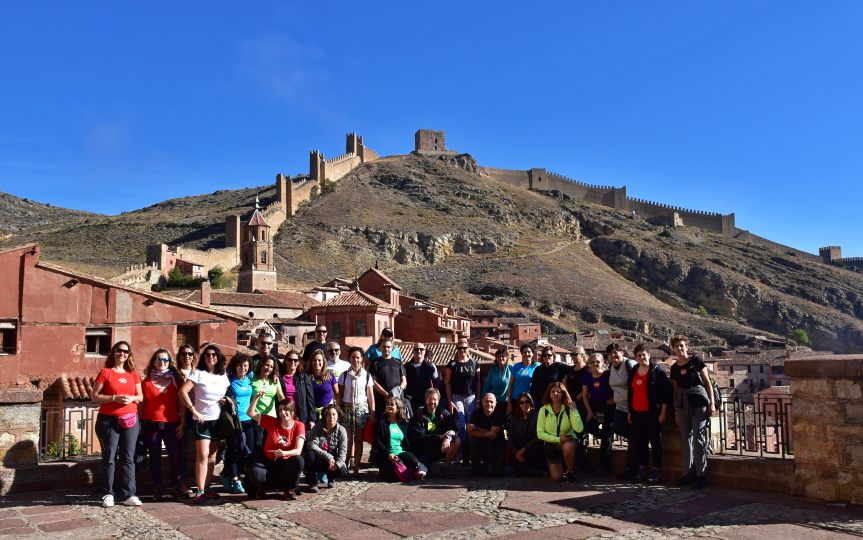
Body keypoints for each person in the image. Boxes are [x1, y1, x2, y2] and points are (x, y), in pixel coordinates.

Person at [93, 341, 143, 508]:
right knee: (109, 456)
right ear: (113, 353)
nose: (122, 354)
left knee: (128, 457)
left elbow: (140, 397)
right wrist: (114, 398)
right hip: (108, 420)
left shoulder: (133, 374)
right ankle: (108, 493)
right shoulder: (106, 372)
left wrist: (131, 399)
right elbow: (95, 396)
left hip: (130, 420)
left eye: (125, 351)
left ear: (129, 355)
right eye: (119, 351)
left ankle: (129, 494)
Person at [179, 344, 231, 503]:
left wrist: (224, 401)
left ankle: (207, 488)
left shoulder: (223, 376)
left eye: (214, 354)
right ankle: (199, 490)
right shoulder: (198, 374)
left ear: (219, 357)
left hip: (217, 421)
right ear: (204, 357)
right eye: (207, 354)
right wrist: (193, 410)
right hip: (201, 421)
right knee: (202, 455)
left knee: (212, 457)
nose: (211, 357)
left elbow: (225, 395)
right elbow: (182, 392)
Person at [669, 335, 715, 489]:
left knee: (699, 438)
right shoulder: (674, 368)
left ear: (686, 346)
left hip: (699, 402)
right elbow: (676, 391)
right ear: (673, 349)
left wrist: (712, 403)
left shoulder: (696, 361)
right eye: (676, 346)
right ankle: (687, 474)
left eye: (682, 345)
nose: (680, 348)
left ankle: (701, 475)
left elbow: (707, 382)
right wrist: (676, 411)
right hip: (682, 405)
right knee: (685, 440)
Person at [140, 348, 184, 501]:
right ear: (154, 362)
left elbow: (182, 403)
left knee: (175, 456)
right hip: (151, 424)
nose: (162, 363)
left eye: (165, 360)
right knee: (155, 457)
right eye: (159, 359)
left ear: (169, 362)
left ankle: (175, 486)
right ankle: (157, 487)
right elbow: (142, 404)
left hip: (172, 424)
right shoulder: (145, 382)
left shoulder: (176, 380)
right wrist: (138, 424)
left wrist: (183, 423)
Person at [246, 395, 306, 500]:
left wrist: (283, 453)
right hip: (268, 462)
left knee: (299, 460)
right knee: (255, 472)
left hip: (285, 464)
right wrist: (256, 398)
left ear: (292, 412)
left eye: (286, 409)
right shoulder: (272, 422)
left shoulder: (299, 425)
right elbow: (250, 413)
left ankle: (289, 490)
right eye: (280, 410)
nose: (283, 412)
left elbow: (298, 450)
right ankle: (262, 487)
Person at [627, 344, 672, 484]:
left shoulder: (657, 371)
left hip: (652, 414)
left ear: (649, 355)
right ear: (635, 357)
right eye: (639, 355)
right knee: (641, 442)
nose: (642, 357)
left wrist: (663, 413)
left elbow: (666, 394)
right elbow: (630, 392)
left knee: (655, 442)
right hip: (636, 413)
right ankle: (642, 468)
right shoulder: (634, 370)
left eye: (644, 354)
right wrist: (630, 411)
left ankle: (656, 469)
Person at [336, 347, 375, 474]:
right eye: (353, 357)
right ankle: (345, 466)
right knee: (347, 439)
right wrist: (338, 411)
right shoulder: (344, 375)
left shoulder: (367, 375)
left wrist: (372, 412)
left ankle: (356, 467)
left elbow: (370, 396)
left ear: (362, 359)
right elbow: (339, 395)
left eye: (358, 357)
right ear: (350, 359)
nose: (355, 360)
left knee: (358, 439)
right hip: (347, 408)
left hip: (361, 409)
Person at [221, 354, 255, 495]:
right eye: (240, 365)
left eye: (245, 366)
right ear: (235, 366)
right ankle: (235, 480)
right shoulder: (229, 380)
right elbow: (222, 393)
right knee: (233, 450)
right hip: (235, 422)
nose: (243, 368)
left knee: (249, 451)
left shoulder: (250, 378)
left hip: (249, 420)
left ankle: (226, 473)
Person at [537, 382, 583, 483]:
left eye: (559, 392)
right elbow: (540, 433)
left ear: (563, 394)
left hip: (568, 441)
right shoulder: (543, 410)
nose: (556, 394)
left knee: (568, 447)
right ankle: (559, 465)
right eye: (553, 391)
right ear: (549, 394)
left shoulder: (568, 408)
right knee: (557, 478)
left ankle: (570, 472)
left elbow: (579, 429)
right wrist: (558, 439)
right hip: (551, 444)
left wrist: (574, 411)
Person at [373, 397, 427, 482]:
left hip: (401, 453)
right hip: (388, 455)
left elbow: (409, 440)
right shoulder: (382, 421)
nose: (389, 406)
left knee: (413, 460)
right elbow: (377, 440)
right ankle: (413, 473)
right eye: (387, 404)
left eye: (392, 404)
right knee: (391, 478)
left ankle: (419, 469)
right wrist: (388, 453)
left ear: (398, 408)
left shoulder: (403, 423)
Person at [408, 388, 459, 474]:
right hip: (423, 449)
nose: (432, 402)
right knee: (421, 472)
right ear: (426, 399)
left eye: (434, 399)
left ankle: (444, 468)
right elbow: (419, 437)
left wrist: (447, 437)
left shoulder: (444, 413)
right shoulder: (418, 415)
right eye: (430, 399)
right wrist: (439, 437)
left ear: (438, 400)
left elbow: (454, 430)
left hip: (440, 447)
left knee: (457, 441)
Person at [606, 343, 638, 480]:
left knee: (633, 439)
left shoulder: (629, 365)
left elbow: (636, 386)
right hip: (620, 406)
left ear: (622, 352)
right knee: (618, 428)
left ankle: (632, 469)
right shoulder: (611, 367)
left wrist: (632, 407)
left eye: (616, 352)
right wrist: (613, 399)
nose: (613, 355)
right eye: (611, 353)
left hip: (633, 408)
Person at [445, 338, 480, 454]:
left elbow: (478, 382)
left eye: (464, 348)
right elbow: (447, 383)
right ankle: (463, 451)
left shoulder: (474, 363)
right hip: (457, 397)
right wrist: (450, 401)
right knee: (461, 423)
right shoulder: (452, 364)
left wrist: (478, 399)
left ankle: (469, 452)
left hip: (472, 397)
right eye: (459, 348)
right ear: (457, 349)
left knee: (470, 424)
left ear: (468, 349)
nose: (462, 350)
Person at [581, 353, 614, 473]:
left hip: (608, 406)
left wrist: (613, 399)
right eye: (592, 362)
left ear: (602, 363)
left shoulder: (607, 375)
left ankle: (605, 466)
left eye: (597, 362)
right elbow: (584, 396)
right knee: (589, 427)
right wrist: (589, 412)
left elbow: (618, 388)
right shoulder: (587, 377)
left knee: (607, 437)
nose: (595, 364)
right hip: (593, 406)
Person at [304, 404, 348, 492]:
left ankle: (331, 478)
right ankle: (312, 482)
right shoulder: (318, 427)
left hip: (331, 460)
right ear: (325, 416)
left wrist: (337, 464)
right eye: (328, 414)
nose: (331, 417)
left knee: (342, 470)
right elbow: (311, 444)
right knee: (310, 454)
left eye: (334, 414)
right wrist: (327, 456)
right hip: (318, 458)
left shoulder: (342, 430)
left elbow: (343, 450)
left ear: (338, 417)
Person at [466, 393, 507, 476]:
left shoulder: (501, 415)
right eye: (486, 401)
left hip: (496, 446)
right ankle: (476, 468)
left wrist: (477, 428)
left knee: (498, 474)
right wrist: (487, 433)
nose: (489, 404)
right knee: (472, 441)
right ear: (482, 402)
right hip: (481, 446)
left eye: (491, 402)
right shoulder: (476, 413)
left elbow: (495, 436)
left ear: (496, 403)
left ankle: (489, 465)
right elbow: (470, 433)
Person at [564, 346, 590, 472]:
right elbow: (564, 385)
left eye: (575, 354)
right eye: (572, 354)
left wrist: (575, 400)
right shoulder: (569, 370)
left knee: (581, 433)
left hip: (581, 405)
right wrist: (569, 400)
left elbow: (587, 388)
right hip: (570, 404)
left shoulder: (587, 370)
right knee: (571, 433)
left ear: (582, 355)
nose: (573, 356)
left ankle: (581, 464)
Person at [507, 392, 544, 477]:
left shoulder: (537, 416)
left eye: (527, 402)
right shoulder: (515, 418)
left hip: (533, 450)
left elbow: (538, 437)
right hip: (519, 452)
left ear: (531, 402)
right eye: (521, 402)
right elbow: (510, 438)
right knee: (521, 473)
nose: (524, 404)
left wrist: (524, 449)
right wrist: (516, 453)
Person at [279, 350, 317, 429]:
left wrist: (312, 419)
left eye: (295, 360)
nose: (293, 362)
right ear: (285, 361)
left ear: (298, 362)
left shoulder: (303, 377)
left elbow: (310, 399)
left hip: (301, 416)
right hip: (284, 415)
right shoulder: (279, 378)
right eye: (290, 360)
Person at [370, 339, 406, 419]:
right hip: (381, 400)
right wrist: (387, 394)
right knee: (382, 425)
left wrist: (396, 393)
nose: (386, 349)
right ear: (380, 348)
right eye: (384, 347)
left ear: (392, 348)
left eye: (388, 347)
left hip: (397, 401)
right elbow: (373, 382)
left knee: (397, 422)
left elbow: (404, 381)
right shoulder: (375, 363)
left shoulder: (398, 362)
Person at [404, 344, 439, 413]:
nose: (419, 351)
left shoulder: (431, 367)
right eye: (416, 349)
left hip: (427, 401)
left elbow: (436, 384)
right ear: (413, 351)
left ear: (425, 351)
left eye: (421, 349)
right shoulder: (406, 367)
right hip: (411, 402)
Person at [508, 344, 538, 414]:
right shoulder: (516, 366)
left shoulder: (537, 366)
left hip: (529, 400)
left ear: (533, 354)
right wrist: (509, 402)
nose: (526, 354)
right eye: (524, 352)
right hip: (516, 400)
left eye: (529, 352)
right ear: (521, 354)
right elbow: (510, 385)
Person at [308, 349, 339, 415]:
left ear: (323, 362)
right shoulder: (306, 376)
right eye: (314, 360)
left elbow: (337, 395)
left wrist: (337, 410)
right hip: (311, 412)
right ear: (311, 362)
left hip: (327, 412)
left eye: (319, 360)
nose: (317, 362)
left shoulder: (330, 376)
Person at [482, 348, 513, 413]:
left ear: (507, 357)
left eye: (502, 356)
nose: (501, 358)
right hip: (493, 403)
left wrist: (510, 403)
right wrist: (483, 400)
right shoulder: (492, 371)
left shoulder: (511, 369)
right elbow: (486, 387)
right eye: (498, 356)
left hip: (507, 403)